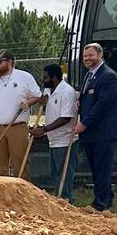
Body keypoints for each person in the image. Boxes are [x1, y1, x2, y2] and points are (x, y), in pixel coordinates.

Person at [0, 50, 42, 179]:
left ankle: (23, 194)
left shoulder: (24, 77)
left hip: (17, 127)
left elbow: (37, 95)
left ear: (10, 62)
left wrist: (28, 102)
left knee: (20, 163)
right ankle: (2, 195)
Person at [73, 43, 117, 211]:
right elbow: (89, 99)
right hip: (92, 133)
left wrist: (84, 123)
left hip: (104, 131)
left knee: (102, 167)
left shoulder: (108, 76)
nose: (87, 58)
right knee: (96, 167)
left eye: (90, 55)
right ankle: (107, 197)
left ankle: (100, 203)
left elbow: (102, 105)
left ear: (100, 55)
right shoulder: (89, 75)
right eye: (85, 56)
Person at [31, 64, 79, 201]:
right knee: (55, 172)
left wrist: (44, 130)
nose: (43, 80)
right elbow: (47, 108)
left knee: (64, 172)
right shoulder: (48, 90)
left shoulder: (67, 92)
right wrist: (42, 103)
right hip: (53, 139)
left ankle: (66, 198)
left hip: (65, 139)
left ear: (55, 77)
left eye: (45, 77)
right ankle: (59, 197)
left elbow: (65, 117)